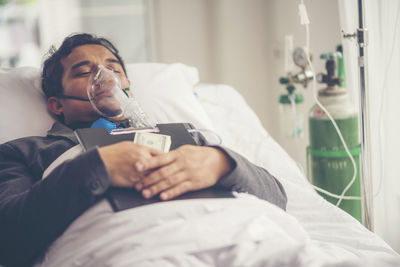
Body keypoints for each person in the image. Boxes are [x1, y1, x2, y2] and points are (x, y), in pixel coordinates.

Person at [0, 33, 287, 266]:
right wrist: (96, 167)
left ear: (127, 89)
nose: (104, 78)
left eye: (113, 70)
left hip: (241, 238)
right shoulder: (25, 152)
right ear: (56, 104)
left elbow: (277, 198)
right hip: (132, 249)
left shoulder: (187, 137)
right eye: (85, 72)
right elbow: (8, 239)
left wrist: (222, 164)